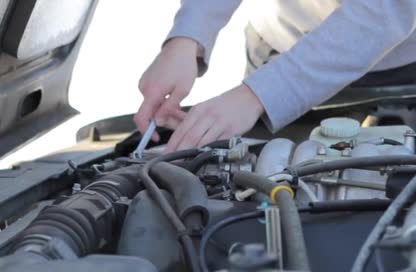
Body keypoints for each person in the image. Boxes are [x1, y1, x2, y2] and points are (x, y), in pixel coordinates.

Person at [134, 1, 416, 152]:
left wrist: (257, 95)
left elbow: (385, 10)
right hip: (278, 43)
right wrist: (187, 37)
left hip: (401, 62)